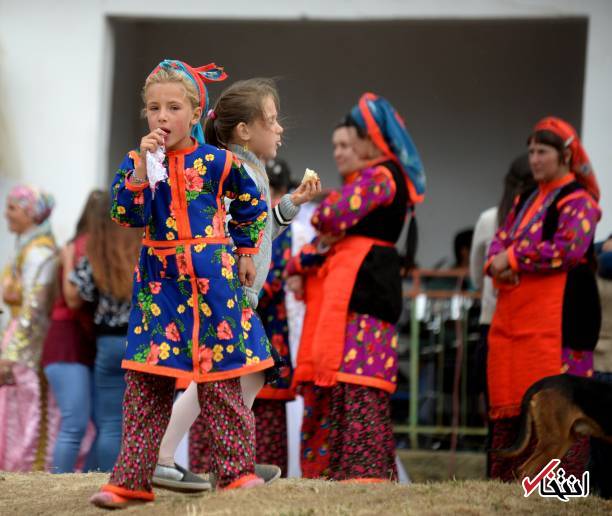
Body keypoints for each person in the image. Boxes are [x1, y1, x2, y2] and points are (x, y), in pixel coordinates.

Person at [89, 59, 277, 509]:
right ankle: (130, 481)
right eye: (153, 108)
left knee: (223, 381)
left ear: (195, 114)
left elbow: (251, 205)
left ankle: (236, 474)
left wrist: (247, 252)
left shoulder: (219, 161)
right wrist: (139, 174)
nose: (161, 117)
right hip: (161, 287)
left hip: (214, 282)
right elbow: (125, 214)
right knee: (147, 385)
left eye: (173, 107)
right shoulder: (138, 163)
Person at [153, 81, 320, 489]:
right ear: (245, 130)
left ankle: (229, 457)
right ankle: (175, 457)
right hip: (224, 293)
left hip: (233, 293)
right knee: (229, 374)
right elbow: (229, 233)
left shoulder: (250, 169)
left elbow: (257, 235)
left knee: (245, 374)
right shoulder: (232, 169)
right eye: (273, 120)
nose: (280, 129)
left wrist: (291, 203)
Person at [289, 93, 425, 481]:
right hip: (352, 291)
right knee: (347, 383)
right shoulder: (372, 178)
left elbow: (332, 213)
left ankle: (363, 474)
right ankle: (344, 472)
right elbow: (325, 232)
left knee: (359, 383)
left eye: (352, 141)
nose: (342, 151)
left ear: (372, 139)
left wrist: (327, 218)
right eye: (337, 145)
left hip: (366, 292)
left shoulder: (381, 175)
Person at [486, 116, 601, 480]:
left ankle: (557, 488)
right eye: (531, 151)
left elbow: (569, 248)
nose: (535, 159)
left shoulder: (578, 200)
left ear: (565, 156)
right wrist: (494, 262)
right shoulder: (525, 199)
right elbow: (500, 238)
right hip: (517, 318)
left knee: (562, 403)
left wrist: (514, 259)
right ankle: (510, 484)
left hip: (563, 319)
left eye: (543, 151)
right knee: (513, 395)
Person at [62, 191, 141, 472]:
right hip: (140, 342)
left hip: (107, 342)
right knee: (139, 420)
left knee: (109, 423)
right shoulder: (144, 247)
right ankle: (135, 475)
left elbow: (76, 292)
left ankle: (108, 479)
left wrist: (70, 257)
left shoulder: (97, 250)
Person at [469, 156, 535, 443]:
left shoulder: (489, 220)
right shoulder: (539, 227)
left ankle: (496, 472)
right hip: (530, 325)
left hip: (492, 323)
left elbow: (475, 274)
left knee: (498, 412)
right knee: (530, 411)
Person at [41, 191, 99, 473]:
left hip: (74, 343)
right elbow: (74, 298)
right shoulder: (85, 247)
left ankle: (75, 480)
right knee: (75, 422)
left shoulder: (75, 246)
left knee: (84, 423)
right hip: (68, 343)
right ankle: (59, 485)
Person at [0, 185, 57, 471]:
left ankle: (27, 469)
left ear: (31, 214)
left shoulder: (40, 253)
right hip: (19, 339)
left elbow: (34, 308)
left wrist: (14, 351)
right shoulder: (27, 248)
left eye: (13, 208)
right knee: (13, 411)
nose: (6, 214)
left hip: (30, 345)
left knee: (28, 412)